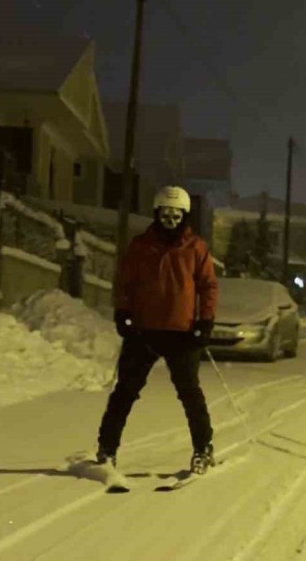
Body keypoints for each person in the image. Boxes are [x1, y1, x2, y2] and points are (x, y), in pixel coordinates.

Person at [94, 185, 220, 476]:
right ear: (157, 214)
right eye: (166, 214)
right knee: (125, 392)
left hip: (183, 333)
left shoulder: (196, 248)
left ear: (185, 216)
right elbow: (125, 282)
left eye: (176, 215)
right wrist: (123, 312)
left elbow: (208, 286)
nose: (170, 220)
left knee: (190, 394)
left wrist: (205, 321)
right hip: (143, 332)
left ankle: (203, 449)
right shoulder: (140, 246)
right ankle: (106, 450)